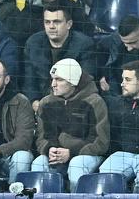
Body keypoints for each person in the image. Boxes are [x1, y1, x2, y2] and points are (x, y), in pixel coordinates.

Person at [33, 57, 111, 187]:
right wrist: (49, 149)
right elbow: (42, 137)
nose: (53, 84)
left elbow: (101, 142)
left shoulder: (95, 102)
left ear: (73, 82)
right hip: (57, 154)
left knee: (77, 165)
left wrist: (72, 152)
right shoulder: (46, 103)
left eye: (59, 79)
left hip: (87, 155)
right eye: (52, 79)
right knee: (38, 163)